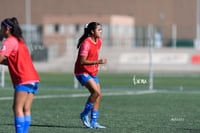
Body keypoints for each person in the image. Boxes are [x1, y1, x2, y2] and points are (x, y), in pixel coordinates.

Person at [0, 17, 40, 133]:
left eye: (2, 28)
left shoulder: (10, 41)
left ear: (7, 29)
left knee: (17, 108)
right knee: (26, 109)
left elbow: (1, 57)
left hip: (23, 78)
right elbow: (10, 61)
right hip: (33, 78)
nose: (1, 30)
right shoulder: (19, 41)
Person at [74, 22, 107, 128]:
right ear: (92, 32)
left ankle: (93, 122)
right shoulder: (86, 43)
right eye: (99, 30)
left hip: (92, 72)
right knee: (95, 92)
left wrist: (96, 64)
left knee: (98, 95)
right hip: (82, 72)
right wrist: (98, 62)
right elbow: (82, 61)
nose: (101, 31)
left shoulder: (99, 42)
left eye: (101, 29)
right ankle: (84, 115)